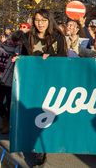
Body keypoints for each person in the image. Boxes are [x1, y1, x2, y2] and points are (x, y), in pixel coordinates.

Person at [20, 9, 66, 166]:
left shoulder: (57, 37)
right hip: (32, 82)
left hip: (50, 82)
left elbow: (63, 58)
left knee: (45, 113)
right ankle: (35, 146)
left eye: (43, 20)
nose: (40, 23)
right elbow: (23, 57)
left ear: (49, 21)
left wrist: (51, 58)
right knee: (33, 112)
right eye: (37, 20)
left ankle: (42, 147)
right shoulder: (28, 37)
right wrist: (18, 60)